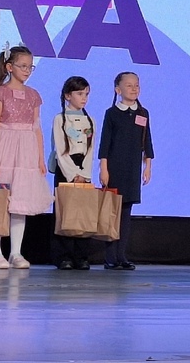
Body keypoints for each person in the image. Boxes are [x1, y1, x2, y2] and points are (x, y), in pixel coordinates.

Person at [0, 45, 51, 269]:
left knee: (20, 203)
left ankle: (16, 252)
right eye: (22, 66)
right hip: (4, 149)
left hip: (26, 152)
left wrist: (40, 158)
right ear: (9, 67)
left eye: (30, 67)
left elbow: (37, 128)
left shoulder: (33, 95)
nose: (27, 70)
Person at [99, 72, 154, 270]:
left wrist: (148, 166)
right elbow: (105, 143)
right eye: (129, 85)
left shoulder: (143, 113)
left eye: (136, 85)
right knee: (112, 212)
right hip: (115, 167)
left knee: (126, 212)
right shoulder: (112, 113)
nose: (133, 89)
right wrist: (103, 168)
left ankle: (121, 255)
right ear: (118, 90)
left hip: (132, 169)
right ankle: (110, 257)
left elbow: (147, 141)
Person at [51, 76, 97, 270]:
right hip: (66, 169)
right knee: (64, 211)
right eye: (79, 94)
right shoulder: (60, 119)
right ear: (68, 95)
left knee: (83, 211)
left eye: (86, 94)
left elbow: (90, 149)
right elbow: (60, 148)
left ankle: (81, 255)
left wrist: (84, 173)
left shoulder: (90, 120)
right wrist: (72, 174)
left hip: (83, 169)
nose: (84, 98)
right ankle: (63, 256)